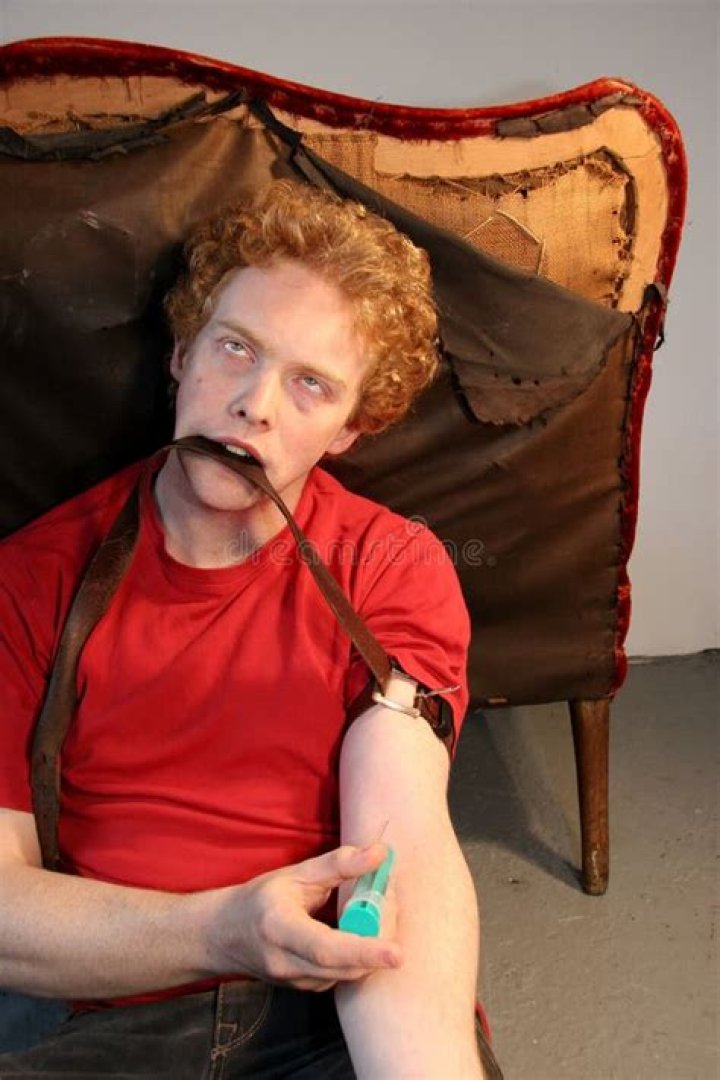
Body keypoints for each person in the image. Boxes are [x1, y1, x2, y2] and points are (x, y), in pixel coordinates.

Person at [0, 180, 500, 1078]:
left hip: (327, 1010)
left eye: (312, 384)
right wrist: (223, 931)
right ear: (182, 352)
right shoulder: (31, 579)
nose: (256, 404)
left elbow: (406, 839)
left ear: (351, 428)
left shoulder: (393, 566)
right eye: (236, 348)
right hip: (114, 1009)